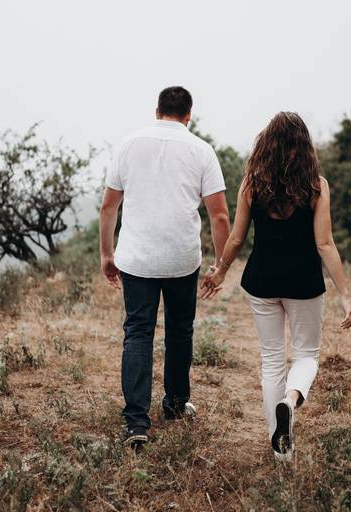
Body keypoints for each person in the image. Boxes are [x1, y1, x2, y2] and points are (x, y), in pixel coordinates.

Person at [200, 111, 351, 461]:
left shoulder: (252, 184)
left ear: (266, 144)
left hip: (262, 280)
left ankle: (281, 452)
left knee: (271, 360)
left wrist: (221, 271)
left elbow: (237, 238)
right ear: (304, 146)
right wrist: (346, 295)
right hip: (303, 282)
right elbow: (325, 244)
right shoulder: (316, 185)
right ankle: (292, 399)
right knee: (306, 356)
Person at [99, 86, 231, 449]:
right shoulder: (201, 150)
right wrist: (221, 265)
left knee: (138, 332)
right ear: (189, 115)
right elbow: (219, 215)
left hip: (137, 258)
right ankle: (174, 404)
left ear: (157, 111)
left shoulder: (129, 144)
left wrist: (106, 255)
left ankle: (136, 422)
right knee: (179, 330)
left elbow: (109, 207)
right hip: (181, 259)